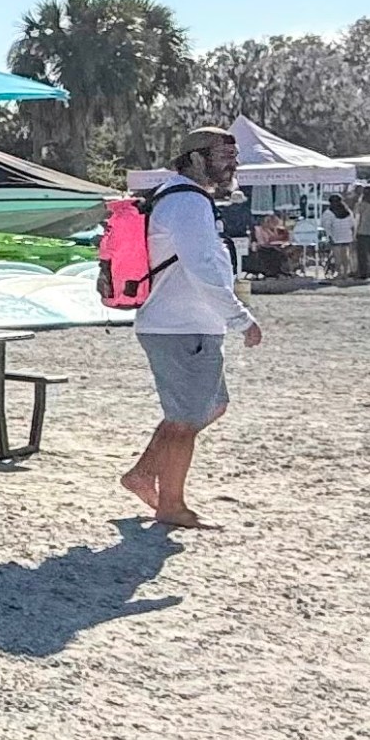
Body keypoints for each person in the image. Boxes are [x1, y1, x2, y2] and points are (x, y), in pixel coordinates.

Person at [121, 127, 261, 531]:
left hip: (187, 325)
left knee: (209, 407)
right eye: (223, 156)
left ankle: (143, 474)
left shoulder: (181, 198)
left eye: (233, 157)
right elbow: (203, 269)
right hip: (179, 327)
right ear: (196, 159)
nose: (231, 164)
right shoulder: (186, 201)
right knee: (184, 421)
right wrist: (241, 319)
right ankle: (171, 506)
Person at [324, 193, 357, 280]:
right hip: (346, 236)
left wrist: (329, 236)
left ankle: (339, 273)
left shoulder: (328, 213)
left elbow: (327, 226)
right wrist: (353, 235)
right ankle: (346, 272)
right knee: (345, 256)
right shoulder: (347, 211)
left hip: (335, 236)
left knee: (337, 257)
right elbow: (352, 224)